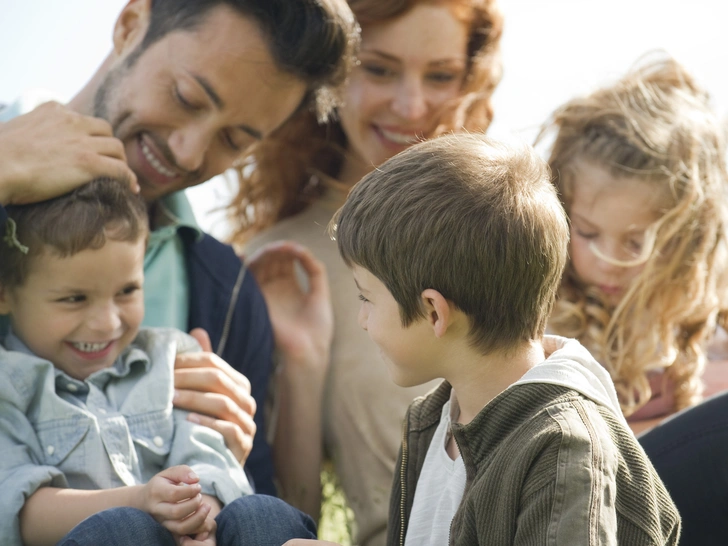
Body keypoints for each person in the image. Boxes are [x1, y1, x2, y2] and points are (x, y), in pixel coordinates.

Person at [0, 0, 359, 496]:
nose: (188, 152)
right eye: (187, 97)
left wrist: (231, 465)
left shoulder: (225, 293)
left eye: (233, 140)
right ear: (130, 25)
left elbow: (277, 516)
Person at [282, 132, 680, 546]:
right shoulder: (431, 422)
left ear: (435, 312)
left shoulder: (563, 448)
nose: (362, 320)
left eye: (367, 297)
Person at [233, 0, 503, 540]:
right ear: (330, 70)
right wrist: (302, 364)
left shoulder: (518, 217)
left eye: (441, 75)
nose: (410, 105)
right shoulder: (278, 263)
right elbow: (288, 510)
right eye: (377, 68)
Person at [0, 179, 318, 546]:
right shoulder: (10, 386)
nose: (108, 323)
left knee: (262, 513)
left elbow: (209, 458)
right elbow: (15, 508)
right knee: (120, 531)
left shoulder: (170, 360)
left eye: (127, 291)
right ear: (6, 293)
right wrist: (141, 502)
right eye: (74, 298)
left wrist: (201, 519)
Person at [540, 55, 728, 422]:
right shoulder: (544, 324)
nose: (609, 260)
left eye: (636, 242)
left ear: (690, 238)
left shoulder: (710, 326)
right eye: (588, 232)